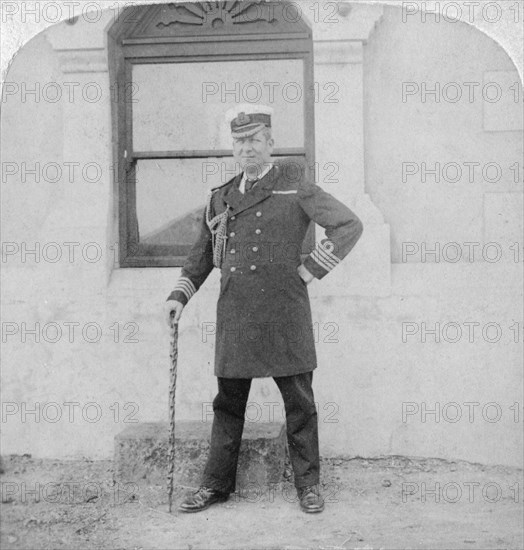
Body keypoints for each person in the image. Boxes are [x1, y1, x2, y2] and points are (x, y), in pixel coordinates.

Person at [164, 103, 363, 513]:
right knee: (228, 403)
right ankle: (216, 485)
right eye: (239, 142)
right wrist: (178, 297)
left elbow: (348, 224)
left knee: (299, 403)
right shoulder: (220, 197)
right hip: (235, 312)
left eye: (255, 140)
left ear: (270, 143)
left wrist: (311, 269)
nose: (247, 149)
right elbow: (201, 256)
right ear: (232, 147)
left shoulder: (295, 185)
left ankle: (308, 486)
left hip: (284, 312)